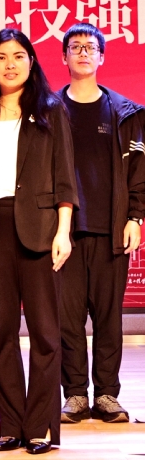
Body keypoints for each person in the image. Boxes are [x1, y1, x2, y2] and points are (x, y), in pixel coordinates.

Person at [0, 28, 78, 455]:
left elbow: (65, 177)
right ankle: (11, 423)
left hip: (42, 229)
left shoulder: (50, 110)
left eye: (18, 56)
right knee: (2, 333)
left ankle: (40, 426)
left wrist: (63, 231)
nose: (10, 64)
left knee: (45, 332)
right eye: (1, 57)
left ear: (31, 62)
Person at [58, 23, 145, 424]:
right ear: (64, 57)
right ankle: (76, 394)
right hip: (64, 233)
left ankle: (108, 394)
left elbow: (139, 171)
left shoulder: (125, 113)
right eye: (75, 47)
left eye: (90, 47)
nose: (83, 53)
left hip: (112, 229)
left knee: (109, 318)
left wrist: (135, 216)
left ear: (102, 57)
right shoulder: (49, 110)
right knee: (68, 319)